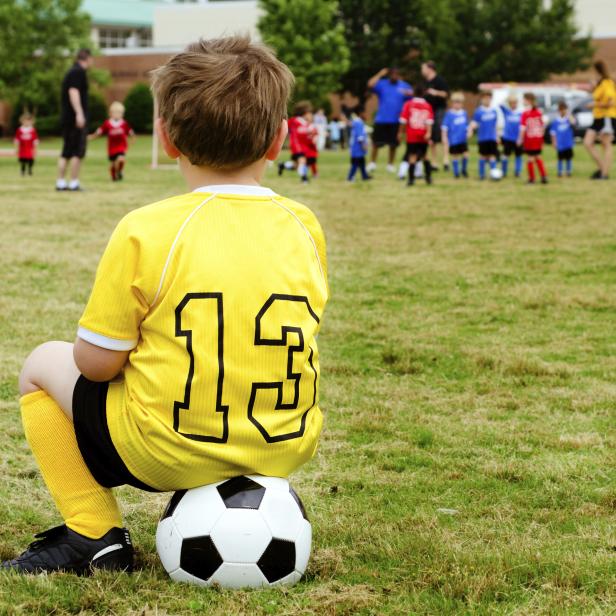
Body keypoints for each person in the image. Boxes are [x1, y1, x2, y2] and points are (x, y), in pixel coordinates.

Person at [4, 36, 329, 575]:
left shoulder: (147, 228)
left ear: (166, 138)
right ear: (279, 140)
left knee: (42, 363)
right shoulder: (304, 225)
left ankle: (92, 533)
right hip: (284, 445)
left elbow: (96, 365)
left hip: (166, 450)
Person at [57, 49, 92, 192]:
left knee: (66, 151)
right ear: (87, 58)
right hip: (74, 119)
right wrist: (79, 113)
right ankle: (73, 182)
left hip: (68, 119)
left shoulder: (72, 71)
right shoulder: (78, 72)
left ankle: (60, 182)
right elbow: (73, 91)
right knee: (77, 151)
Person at [366, 67, 413, 173]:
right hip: (381, 119)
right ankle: (372, 163)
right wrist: (380, 73)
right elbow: (369, 84)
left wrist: (408, 94)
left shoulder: (404, 86)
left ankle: (390, 164)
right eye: (392, 74)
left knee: (393, 144)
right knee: (376, 143)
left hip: (396, 120)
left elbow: (413, 97)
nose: (394, 76)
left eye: (396, 74)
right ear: (389, 75)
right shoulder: (382, 84)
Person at [584, 60, 616, 180]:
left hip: (607, 117)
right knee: (587, 143)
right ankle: (602, 168)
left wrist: (594, 105)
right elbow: (598, 95)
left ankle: (604, 174)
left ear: (598, 71)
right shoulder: (601, 83)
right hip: (598, 117)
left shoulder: (607, 83)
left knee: (606, 144)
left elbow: (611, 102)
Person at [89, 102, 135, 182]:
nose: (117, 114)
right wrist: (91, 137)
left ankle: (120, 171)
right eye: (115, 112)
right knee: (113, 164)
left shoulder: (124, 123)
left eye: (119, 113)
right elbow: (99, 132)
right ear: (111, 113)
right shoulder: (107, 123)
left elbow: (131, 133)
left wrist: (132, 140)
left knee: (121, 159)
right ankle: (114, 176)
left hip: (121, 146)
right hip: (112, 148)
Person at [398, 85, 434, 186]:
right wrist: (429, 133)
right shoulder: (427, 105)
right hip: (423, 135)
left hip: (412, 135)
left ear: (414, 93)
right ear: (424, 94)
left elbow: (403, 121)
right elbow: (429, 122)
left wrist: (400, 132)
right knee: (425, 156)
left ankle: (411, 180)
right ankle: (428, 177)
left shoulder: (408, 104)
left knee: (412, 156)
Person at [421, 61, 450, 172]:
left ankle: (446, 160)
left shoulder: (439, 80)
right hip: (429, 112)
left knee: (442, 136)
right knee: (431, 138)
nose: (422, 71)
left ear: (430, 69)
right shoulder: (425, 82)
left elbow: (446, 94)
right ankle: (434, 162)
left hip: (439, 111)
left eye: (423, 68)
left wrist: (435, 92)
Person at [468, 91, 499, 180]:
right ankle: (482, 175)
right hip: (483, 138)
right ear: (482, 99)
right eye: (485, 98)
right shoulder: (479, 111)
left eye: (489, 98)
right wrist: (470, 130)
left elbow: (495, 125)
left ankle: (494, 174)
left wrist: (497, 136)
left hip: (492, 137)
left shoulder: (494, 111)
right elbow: (474, 123)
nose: (487, 100)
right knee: (483, 156)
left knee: (492, 156)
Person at [519, 92, 548, 185]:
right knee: (538, 157)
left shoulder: (525, 113)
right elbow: (543, 126)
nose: (523, 101)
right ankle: (543, 176)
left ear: (528, 100)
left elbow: (523, 128)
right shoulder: (538, 112)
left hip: (530, 139)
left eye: (524, 99)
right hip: (538, 138)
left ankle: (532, 179)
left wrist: (520, 139)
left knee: (530, 158)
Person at [441, 92, 469, 179]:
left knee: (465, 154)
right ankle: (456, 173)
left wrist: (468, 131)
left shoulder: (464, 113)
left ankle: (464, 170)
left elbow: (466, 125)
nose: (457, 104)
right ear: (452, 103)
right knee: (455, 155)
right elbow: (444, 127)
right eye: (455, 102)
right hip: (453, 139)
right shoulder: (449, 114)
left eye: (459, 102)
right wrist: (444, 137)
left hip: (462, 139)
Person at [277, 101, 307, 177]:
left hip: (299, 144)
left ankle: (282, 166)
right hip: (297, 145)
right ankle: (304, 179)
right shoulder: (297, 120)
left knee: (296, 165)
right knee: (302, 160)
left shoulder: (298, 120)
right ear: (304, 112)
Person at [500, 95, 523, 178]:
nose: (513, 105)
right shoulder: (507, 111)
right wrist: (507, 97)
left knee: (518, 155)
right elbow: (500, 104)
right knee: (505, 155)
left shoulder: (521, 113)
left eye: (515, 103)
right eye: (511, 103)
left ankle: (517, 172)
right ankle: (503, 171)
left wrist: (520, 138)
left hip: (517, 139)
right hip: (508, 138)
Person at [550, 102, 575, 177]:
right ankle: (559, 171)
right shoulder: (556, 121)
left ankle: (568, 171)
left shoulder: (568, 119)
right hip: (560, 143)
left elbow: (573, 123)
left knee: (568, 158)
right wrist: (554, 142)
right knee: (560, 158)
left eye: (564, 109)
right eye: (561, 110)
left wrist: (568, 114)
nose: (562, 111)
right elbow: (553, 133)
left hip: (568, 143)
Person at [347, 108, 372, 182]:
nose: (366, 115)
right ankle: (350, 177)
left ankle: (364, 176)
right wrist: (363, 145)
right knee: (356, 162)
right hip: (357, 146)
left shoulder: (356, 122)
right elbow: (359, 135)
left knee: (362, 161)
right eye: (365, 113)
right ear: (361, 113)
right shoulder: (358, 122)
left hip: (356, 146)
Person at [296, 105, 319, 182]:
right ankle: (304, 177)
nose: (309, 116)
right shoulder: (303, 125)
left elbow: (315, 134)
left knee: (312, 162)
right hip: (305, 148)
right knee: (307, 162)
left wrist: (314, 138)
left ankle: (312, 174)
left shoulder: (312, 126)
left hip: (311, 148)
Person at [14, 112, 39, 177]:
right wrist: (16, 149)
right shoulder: (19, 130)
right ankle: (22, 170)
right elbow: (17, 140)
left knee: (30, 160)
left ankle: (30, 170)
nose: (27, 122)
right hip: (22, 149)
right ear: (22, 121)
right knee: (23, 161)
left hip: (30, 148)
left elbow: (35, 140)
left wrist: (35, 149)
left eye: (28, 121)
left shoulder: (32, 130)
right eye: (25, 121)